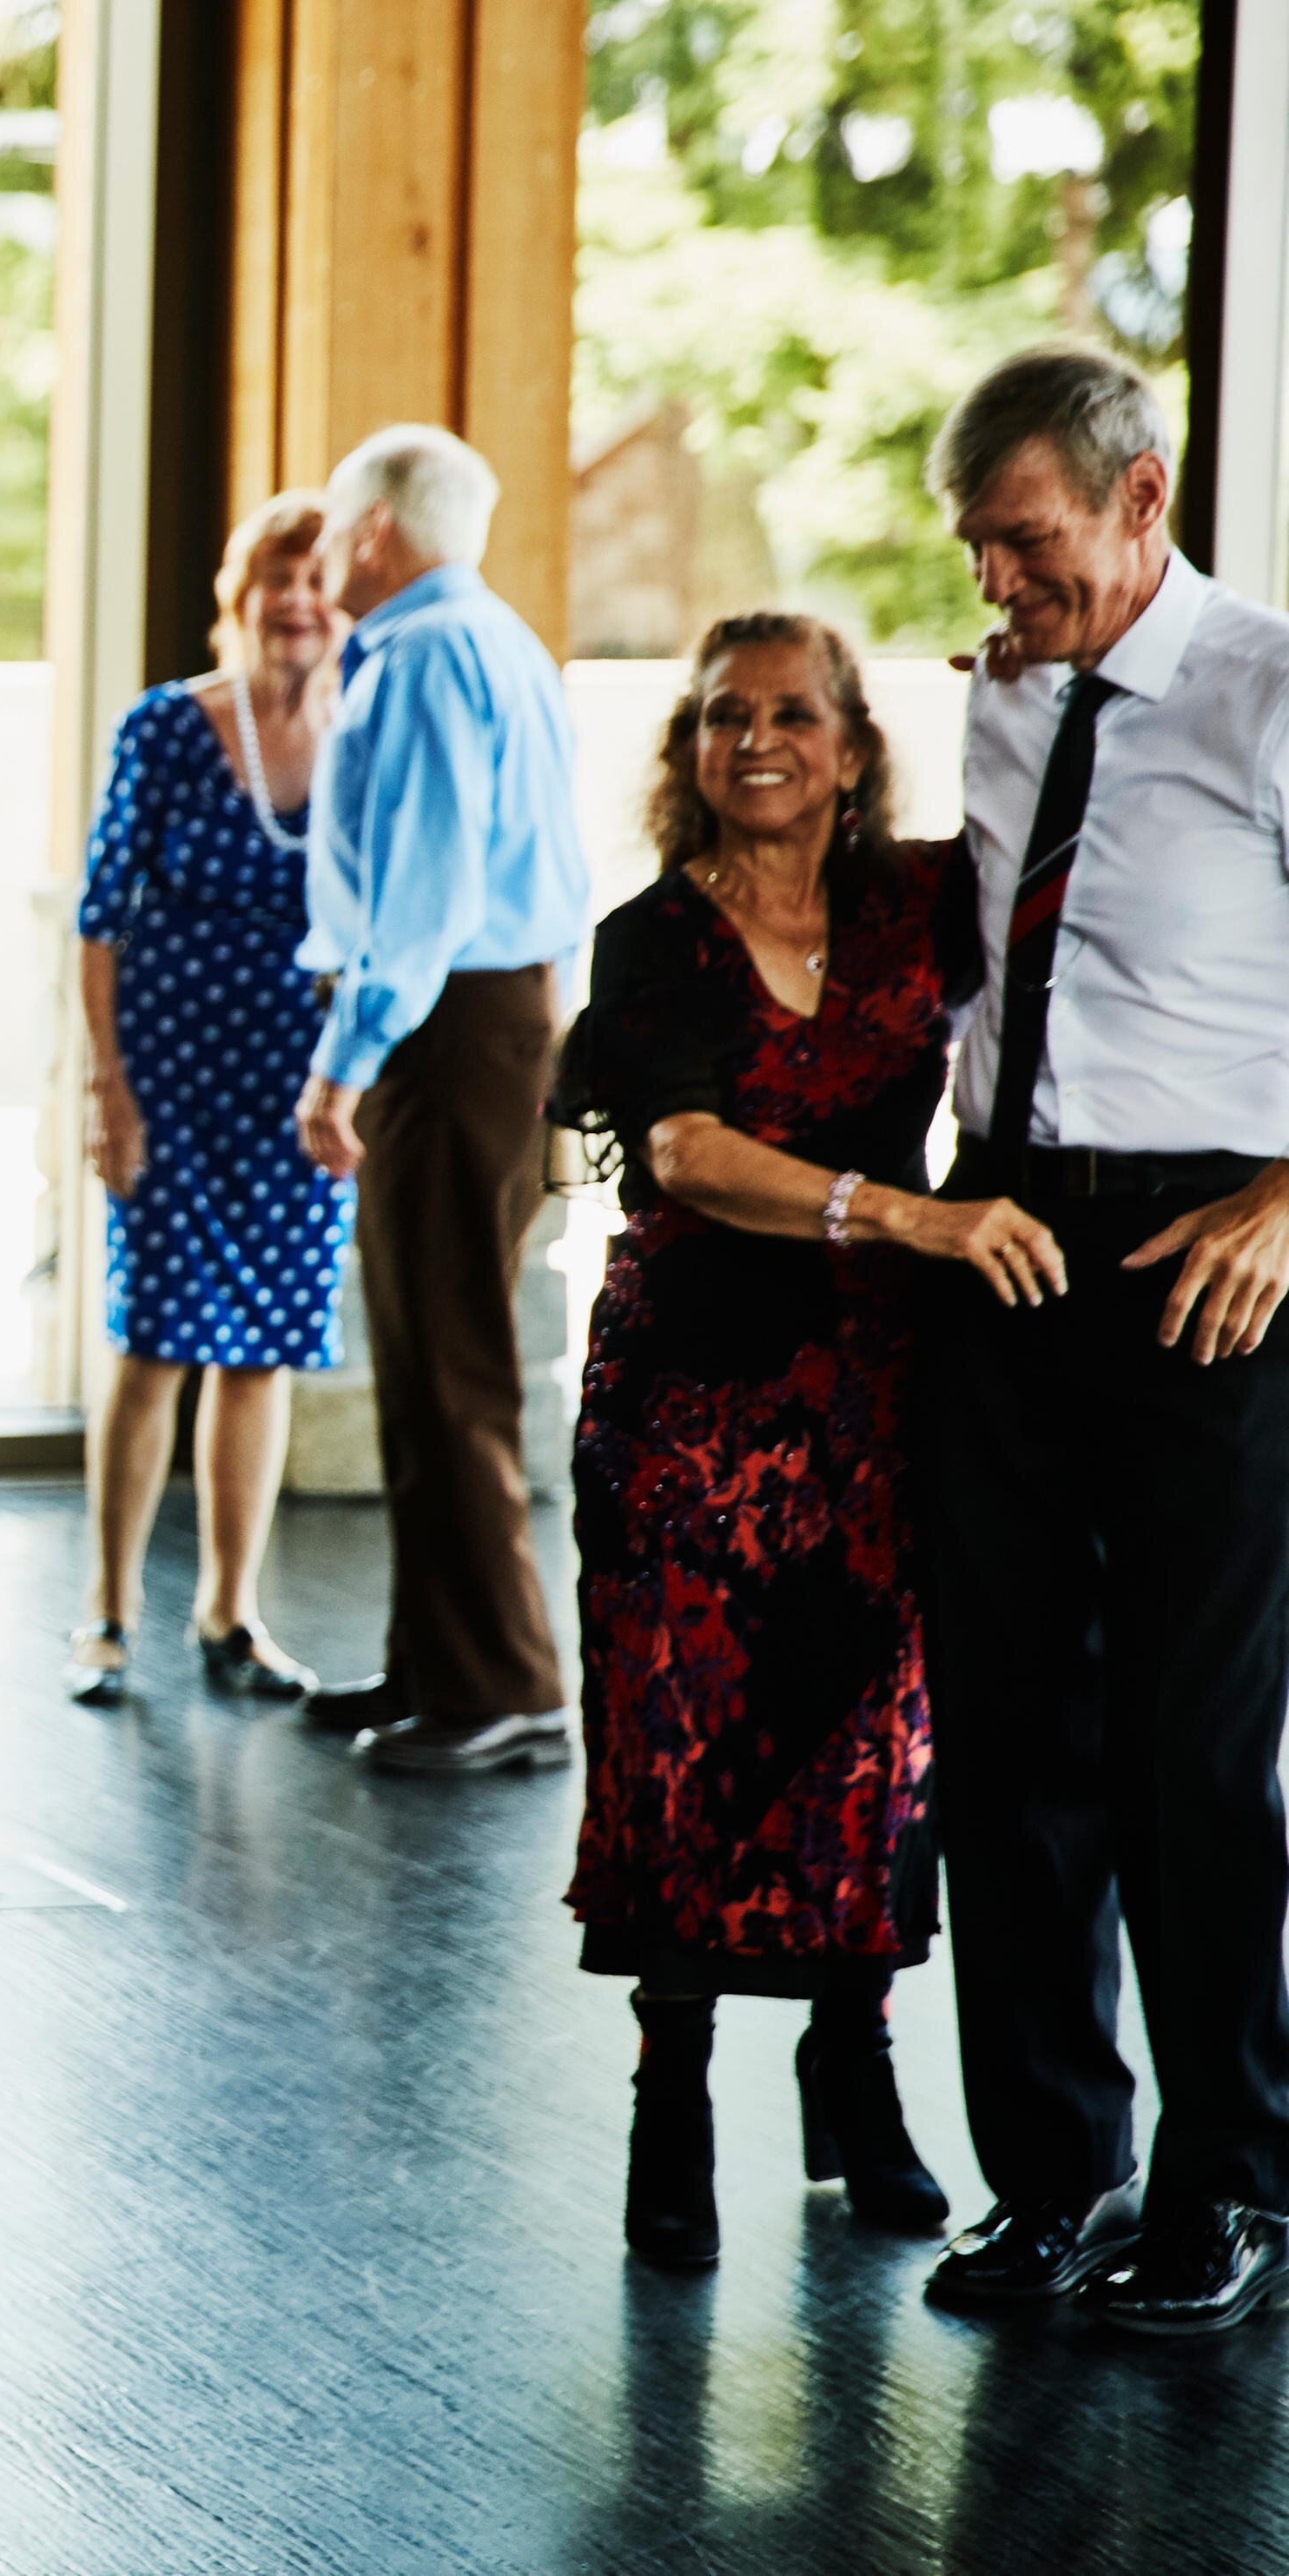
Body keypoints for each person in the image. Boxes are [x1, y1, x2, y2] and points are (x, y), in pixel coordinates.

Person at [548, 613, 1055, 2269]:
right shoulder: (653, 942)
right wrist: (908, 1213)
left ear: (851, 741)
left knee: (873, 1741)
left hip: (880, 1396)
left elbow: (1068, 860)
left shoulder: (921, 896)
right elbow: (687, 1156)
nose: (755, 738)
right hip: (688, 1406)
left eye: (793, 712)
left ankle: (859, 2061)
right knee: (679, 1738)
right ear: (688, 748)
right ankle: (673, 2093)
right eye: (721, 715)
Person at [903, 347, 1289, 2336]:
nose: (993, 578)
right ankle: (1051, 2174)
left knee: (1190, 1741)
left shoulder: (1266, 686)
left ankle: (1233, 2182)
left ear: (1141, 502)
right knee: (1007, 1737)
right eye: (975, 544)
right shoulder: (1001, 694)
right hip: (1006, 1230)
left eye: (1024, 539)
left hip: (1212, 1240)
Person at [291, 424, 590, 1777]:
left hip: (449, 1025)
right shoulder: (496, 639)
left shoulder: (418, 658)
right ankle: (439, 1663)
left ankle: (502, 1687)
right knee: (422, 1353)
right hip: (486, 1016)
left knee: (450, 1356)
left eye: (337, 523)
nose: (325, 548)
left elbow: (423, 894)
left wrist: (343, 1060)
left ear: (377, 532)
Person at [69, 488, 354, 1704]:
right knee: (152, 1344)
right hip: (173, 1082)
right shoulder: (165, 729)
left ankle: (233, 1616)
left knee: (267, 1351)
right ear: (239, 597)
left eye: (317, 580)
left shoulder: (368, 734)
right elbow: (100, 920)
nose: (296, 604)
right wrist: (108, 1092)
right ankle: (106, 1614)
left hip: (302, 1095)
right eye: (275, 581)